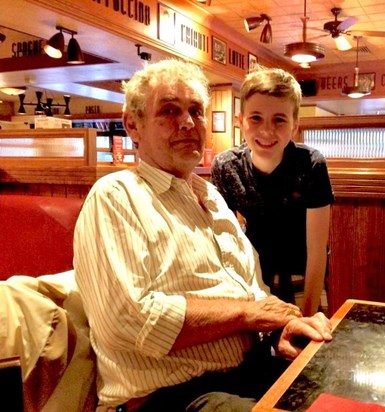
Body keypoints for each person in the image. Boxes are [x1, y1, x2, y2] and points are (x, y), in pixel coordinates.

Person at [73, 59, 332, 412]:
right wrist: (246, 314)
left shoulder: (211, 197)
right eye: (169, 110)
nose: (187, 123)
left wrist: (282, 328)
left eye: (196, 111)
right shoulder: (116, 195)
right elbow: (129, 320)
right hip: (169, 395)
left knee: (341, 390)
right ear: (133, 125)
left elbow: (255, 292)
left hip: (249, 372)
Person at [211, 67, 334, 317]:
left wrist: (307, 318)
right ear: (240, 120)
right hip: (252, 276)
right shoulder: (226, 166)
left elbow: (317, 251)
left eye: (279, 119)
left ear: (295, 125)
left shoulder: (311, 164)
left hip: (303, 272)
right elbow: (222, 241)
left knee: (306, 350)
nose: (266, 131)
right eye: (255, 118)